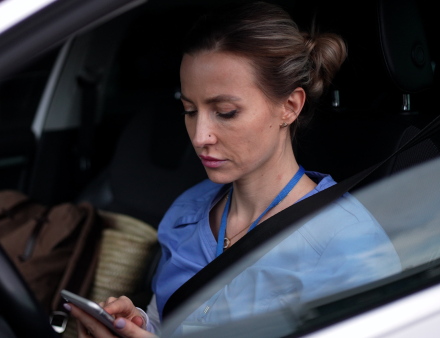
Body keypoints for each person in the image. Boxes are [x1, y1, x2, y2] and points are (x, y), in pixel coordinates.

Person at [65, 1, 401, 337]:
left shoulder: (349, 246)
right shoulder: (188, 212)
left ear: (289, 106)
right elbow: (168, 321)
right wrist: (137, 323)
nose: (200, 137)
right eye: (189, 110)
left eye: (225, 112)